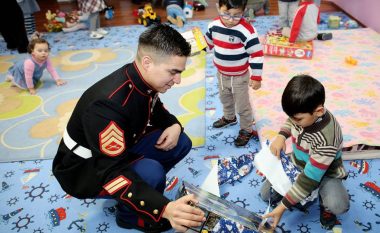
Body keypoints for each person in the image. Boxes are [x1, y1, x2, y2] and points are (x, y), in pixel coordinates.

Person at [52, 24, 206, 232]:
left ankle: (139, 189)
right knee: (151, 171)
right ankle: (129, 216)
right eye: (173, 72)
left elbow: (155, 108)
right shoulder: (107, 106)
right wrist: (163, 208)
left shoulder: (141, 77)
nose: (178, 80)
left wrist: (174, 124)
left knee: (180, 141)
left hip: (117, 149)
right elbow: (110, 172)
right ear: (148, 62)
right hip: (84, 168)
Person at [261, 75, 349, 230]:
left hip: (325, 174)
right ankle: (295, 194)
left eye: (298, 119)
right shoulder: (304, 114)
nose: (294, 121)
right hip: (298, 165)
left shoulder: (327, 139)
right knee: (266, 194)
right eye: (292, 117)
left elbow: (309, 179)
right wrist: (282, 135)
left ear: (319, 111)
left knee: (338, 205)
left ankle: (325, 206)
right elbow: (291, 120)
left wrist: (282, 207)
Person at [205, 0, 264, 147]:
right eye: (226, 14)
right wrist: (192, 47)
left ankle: (246, 129)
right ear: (219, 8)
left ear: (243, 11)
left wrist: (256, 77)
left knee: (243, 106)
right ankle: (229, 117)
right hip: (221, 73)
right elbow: (207, 44)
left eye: (236, 15)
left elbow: (256, 54)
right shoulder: (213, 25)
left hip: (239, 76)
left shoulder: (247, 31)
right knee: (225, 98)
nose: (231, 20)